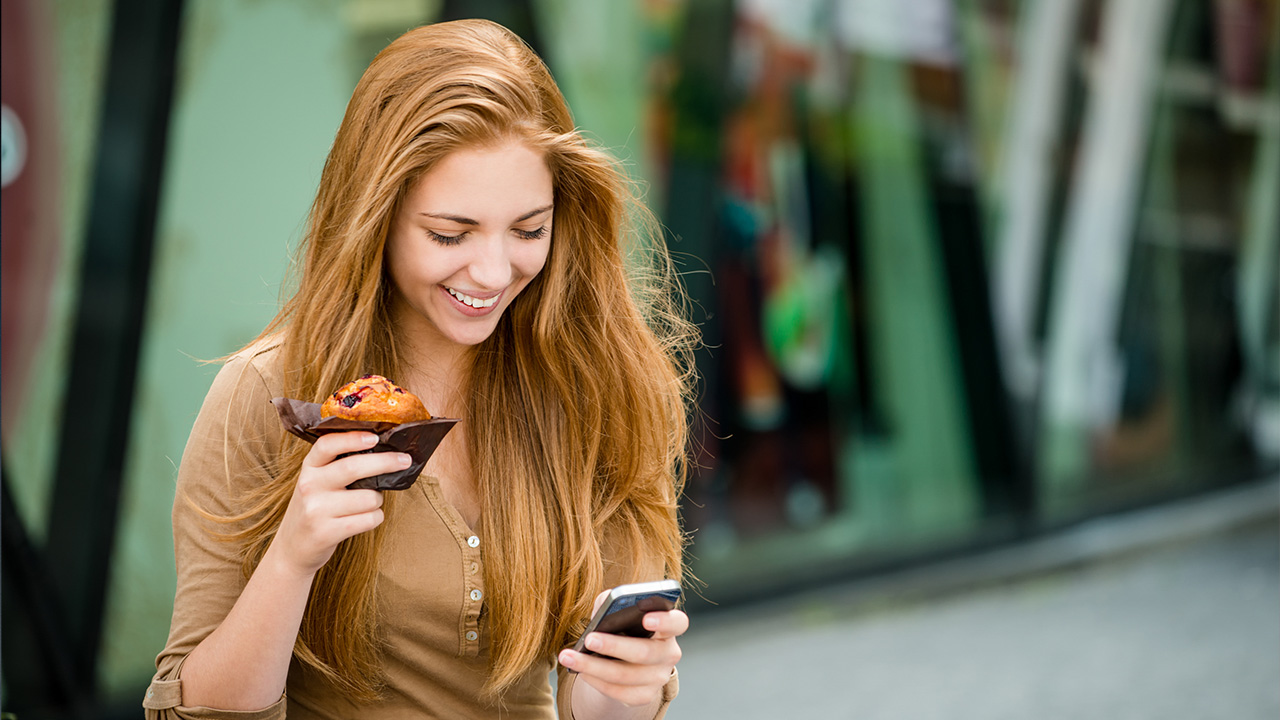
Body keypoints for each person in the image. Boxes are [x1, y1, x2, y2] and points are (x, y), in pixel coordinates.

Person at [144, 18, 697, 720]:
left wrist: (626, 684)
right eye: (449, 234)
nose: (495, 271)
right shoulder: (265, 394)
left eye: (529, 229)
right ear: (376, 217)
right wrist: (293, 559)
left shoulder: (591, 385)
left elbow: (591, 703)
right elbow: (195, 711)